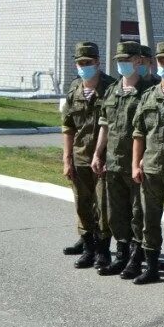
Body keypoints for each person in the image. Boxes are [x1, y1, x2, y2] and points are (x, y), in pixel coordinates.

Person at [92, 41, 150, 278]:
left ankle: (137, 258)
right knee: (117, 212)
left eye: (126, 60)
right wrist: (98, 153)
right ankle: (122, 254)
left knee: (138, 212)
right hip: (114, 161)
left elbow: (152, 130)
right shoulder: (113, 90)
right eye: (119, 61)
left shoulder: (148, 90)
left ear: (138, 61)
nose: (122, 65)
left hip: (135, 163)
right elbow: (105, 125)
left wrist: (145, 158)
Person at [130, 41, 164, 285]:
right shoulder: (148, 96)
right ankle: (151, 266)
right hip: (151, 167)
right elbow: (138, 134)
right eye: (161, 61)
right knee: (148, 219)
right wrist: (135, 164)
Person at [62, 42, 113, 271]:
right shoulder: (74, 89)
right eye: (80, 63)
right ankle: (88, 248)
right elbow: (68, 127)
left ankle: (103, 251)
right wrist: (66, 159)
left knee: (102, 205)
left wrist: (101, 155)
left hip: (104, 159)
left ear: (98, 62)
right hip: (80, 156)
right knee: (82, 203)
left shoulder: (111, 87)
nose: (84, 67)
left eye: (88, 63)